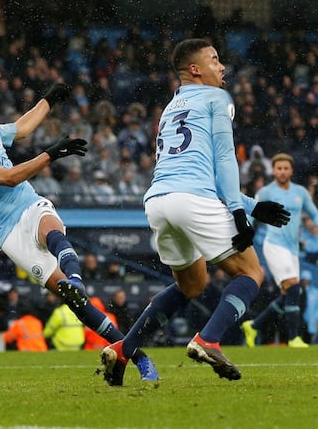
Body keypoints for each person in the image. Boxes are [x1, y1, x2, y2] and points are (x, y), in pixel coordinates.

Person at [100, 39, 291, 386]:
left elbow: (192, 168)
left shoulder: (172, 107)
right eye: (215, 60)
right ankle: (208, 339)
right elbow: (222, 160)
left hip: (158, 202)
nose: (222, 68)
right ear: (195, 69)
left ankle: (124, 350)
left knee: (192, 283)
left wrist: (253, 205)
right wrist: (238, 213)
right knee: (251, 272)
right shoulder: (217, 98)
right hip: (193, 199)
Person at [0, 84, 158, 381]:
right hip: (8, 232)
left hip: (29, 204)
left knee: (53, 232)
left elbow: (22, 128)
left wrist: (49, 99)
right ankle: (136, 356)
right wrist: (50, 155)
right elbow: (8, 177)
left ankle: (77, 282)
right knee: (74, 303)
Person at [242, 153, 318, 348]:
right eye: (279, 168)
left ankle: (254, 325)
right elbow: (252, 213)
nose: (282, 172)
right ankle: (294, 338)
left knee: (290, 293)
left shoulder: (300, 192)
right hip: (274, 245)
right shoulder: (266, 193)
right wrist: (245, 232)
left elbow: (314, 213)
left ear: (291, 171)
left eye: (286, 168)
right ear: (273, 171)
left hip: (293, 248)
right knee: (293, 286)